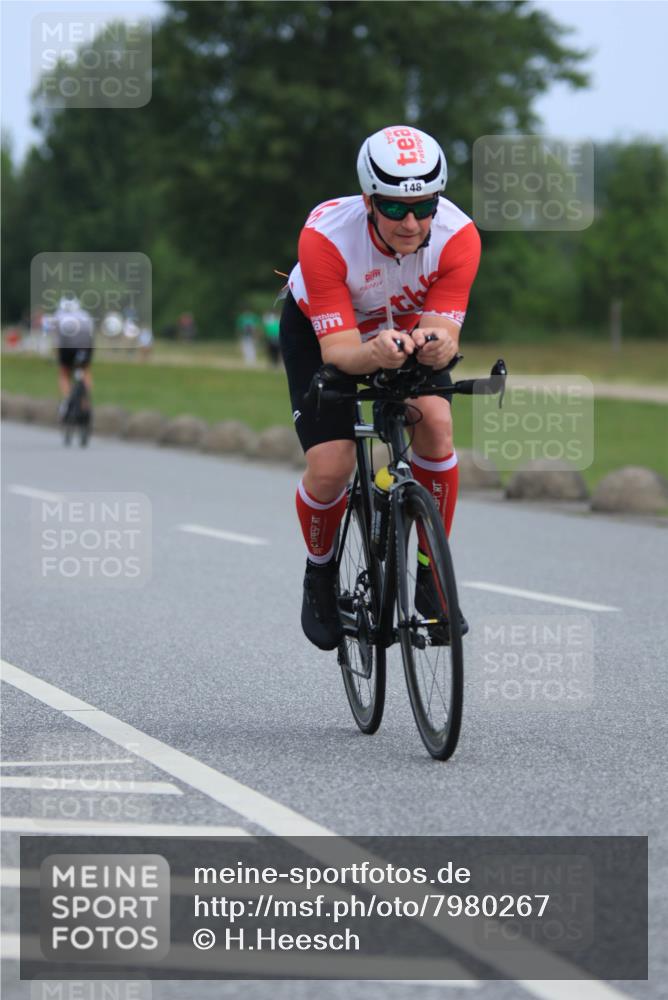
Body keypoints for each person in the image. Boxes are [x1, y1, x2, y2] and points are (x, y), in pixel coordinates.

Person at [279, 125, 481, 651]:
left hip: (404, 330)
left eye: (424, 206)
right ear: (369, 200)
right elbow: (340, 353)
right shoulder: (325, 237)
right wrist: (374, 353)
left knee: (435, 424)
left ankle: (432, 580)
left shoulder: (460, 237)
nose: (411, 223)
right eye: (394, 209)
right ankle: (320, 575)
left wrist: (437, 346)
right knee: (333, 465)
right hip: (328, 333)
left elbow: (446, 328)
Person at [51, 296, 95, 420]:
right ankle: (85, 400)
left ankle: (67, 399)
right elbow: (92, 334)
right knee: (85, 370)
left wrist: (54, 354)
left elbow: (55, 339)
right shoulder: (85, 314)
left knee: (64, 372)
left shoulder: (58, 315)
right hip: (86, 346)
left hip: (67, 347)